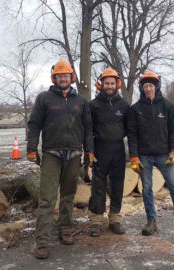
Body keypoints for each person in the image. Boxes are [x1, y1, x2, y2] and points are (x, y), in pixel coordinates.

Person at [27, 59, 94, 259]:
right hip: (51, 154)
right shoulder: (44, 98)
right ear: (54, 77)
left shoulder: (81, 101)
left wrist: (88, 152)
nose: (63, 78)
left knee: (68, 196)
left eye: (66, 75)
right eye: (59, 75)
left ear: (71, 77)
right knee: (47, 198)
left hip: (74, 154)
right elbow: (34, 124)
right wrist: (32, 148)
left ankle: (65, 229)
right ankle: (42, 241)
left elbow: (88, 128)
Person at [127, 71, 174, 243]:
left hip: (164, 155)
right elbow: (132, 134)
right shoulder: (135, 109)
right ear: (142, 88)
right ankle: (151, 222)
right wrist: (133, 156)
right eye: (145, 86)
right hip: (144, 156)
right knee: (146, 189)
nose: (148, 89)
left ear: (156, 87)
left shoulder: (167, 106)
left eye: (151, 85)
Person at [88, 68, 130, 237]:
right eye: (107, 83)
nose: (109, 86)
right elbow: (88, 129)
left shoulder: (124, 105)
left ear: (117, 84)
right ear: (101, 84)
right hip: (100, 148)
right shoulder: (94, 105)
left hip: (118, 149)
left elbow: (130, 128)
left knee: (117, 184)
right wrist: (89, 151)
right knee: (98, 185)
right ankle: (96, 220)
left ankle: (115, 219)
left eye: (112, 83)